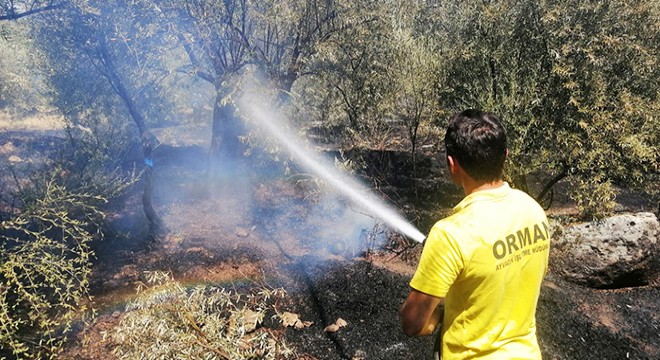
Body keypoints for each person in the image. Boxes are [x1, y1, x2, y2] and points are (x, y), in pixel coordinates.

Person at [400, 109, 550, 359]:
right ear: (505, 155)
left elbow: (413, 323)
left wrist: (438, 314)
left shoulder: (450, 235)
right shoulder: (533, 210)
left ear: (452, 165)